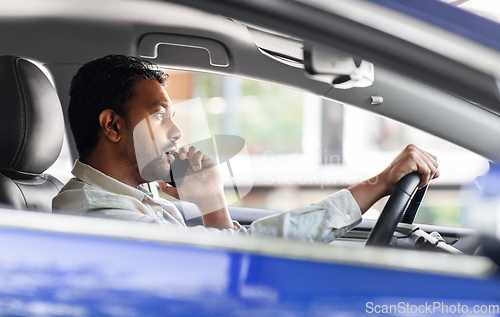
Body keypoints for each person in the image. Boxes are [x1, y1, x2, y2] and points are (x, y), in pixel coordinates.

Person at [52, 55, 439, 242]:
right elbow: (222, 276)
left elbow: (240, 249)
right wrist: (213, 205)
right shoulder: (97, 215)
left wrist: (375, 185)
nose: (175, 131)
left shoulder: (131, 200)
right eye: (158, 116)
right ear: (113, 126)